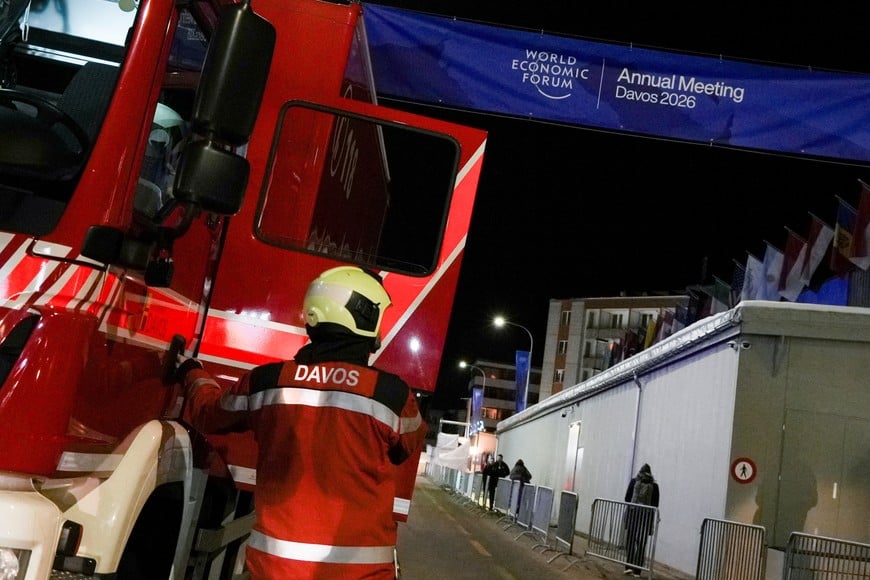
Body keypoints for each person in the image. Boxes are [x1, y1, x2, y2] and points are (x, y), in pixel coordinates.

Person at [175, 266, 428, 579]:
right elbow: (407, 446)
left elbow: (209, 414)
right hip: (361, 574)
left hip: (276, 571)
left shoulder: (267, 382)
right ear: (364, 317)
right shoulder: (391, 394)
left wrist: (192, 372)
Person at [623, 463, 660, 576]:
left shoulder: (634, 481)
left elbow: (627, 498)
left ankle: (628, 566)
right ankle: (637, 571)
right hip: (645, 518)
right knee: (641, 543)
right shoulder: (654, 486)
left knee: (630, 540)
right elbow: (655, 504)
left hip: (633, 515)